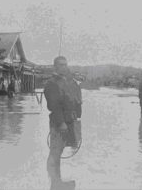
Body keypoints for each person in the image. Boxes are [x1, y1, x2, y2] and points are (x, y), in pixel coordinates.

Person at [44, 56, 81, 190]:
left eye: (65, 64)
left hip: (68, 120)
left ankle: (56, 181)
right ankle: (54, 182)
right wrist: (61, 123)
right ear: (55, 67)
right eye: (60, 65)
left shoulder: (66, 82)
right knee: (55, 150)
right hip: (59, 122)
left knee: (59, 150)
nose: (63, 67)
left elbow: (73, 99)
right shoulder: (52, 83)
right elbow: (54, 105)